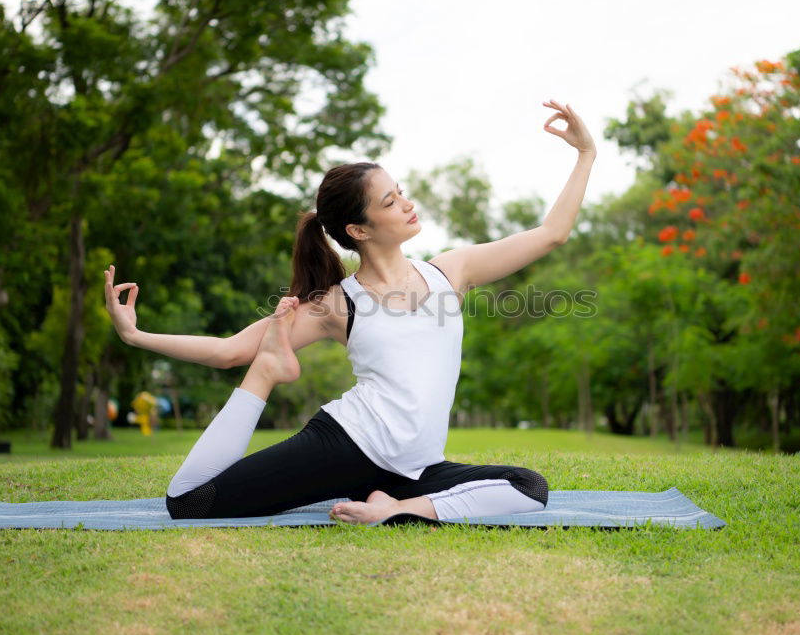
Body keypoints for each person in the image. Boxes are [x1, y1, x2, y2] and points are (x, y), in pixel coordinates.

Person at [103, 99, 596, 523]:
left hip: (415, 471)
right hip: (344, 446)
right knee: (190, 504)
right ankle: (271, 371)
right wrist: (138, 336)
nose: (406, 203)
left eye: (400, 191)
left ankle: (397, 509)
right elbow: (230, 350)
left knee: (528, 487)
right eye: (390, 200)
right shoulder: (338, 303)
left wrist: (585, 153)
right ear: (359, 230)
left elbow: (550, 234)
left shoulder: (452, 271)